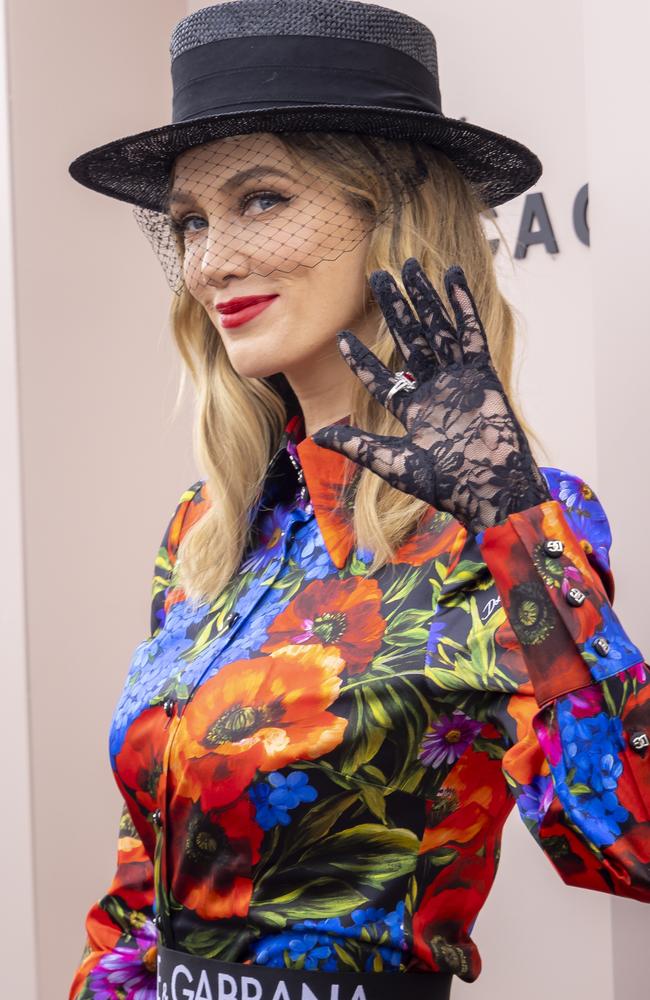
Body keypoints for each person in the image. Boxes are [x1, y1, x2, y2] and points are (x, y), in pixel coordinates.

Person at [67, 2, 650, 998]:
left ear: (391, 214)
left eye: (258, 199)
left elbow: (626, 843)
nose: (207, 263)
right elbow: (139, 887)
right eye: (189, 222)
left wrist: (507, 524)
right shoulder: (202, 533)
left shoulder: (514, 526)